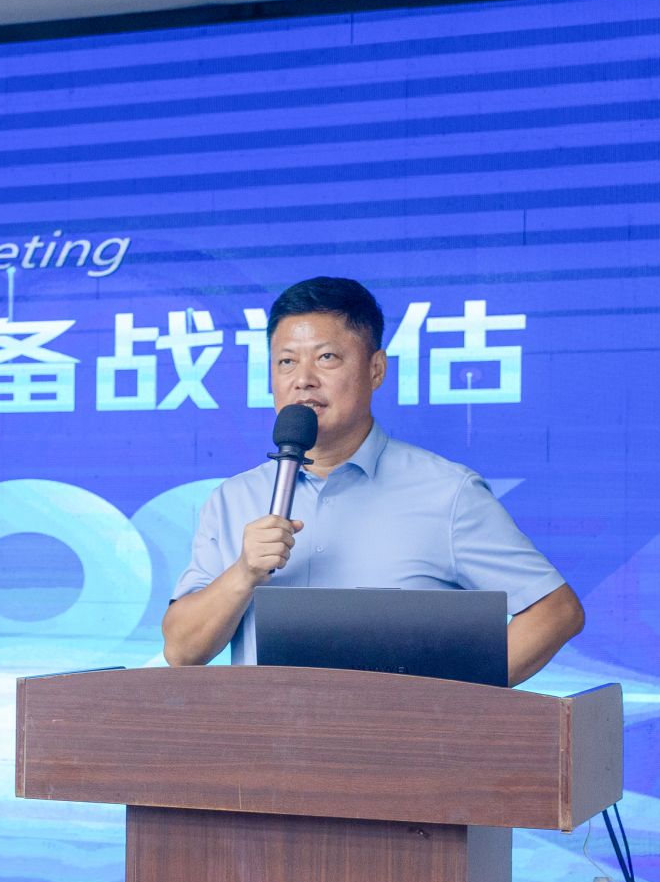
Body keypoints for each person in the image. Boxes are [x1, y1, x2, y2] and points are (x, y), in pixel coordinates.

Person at [160, 276, 584, 685]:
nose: (303, 379)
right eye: (286, 361)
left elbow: (556, 611)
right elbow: (181, 651)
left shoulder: (447, 493)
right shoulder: (233, 498)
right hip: (264, 734)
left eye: (326, 357)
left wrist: (448, 706)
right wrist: (244, 573)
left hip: (398, 737)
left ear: (376, 369)